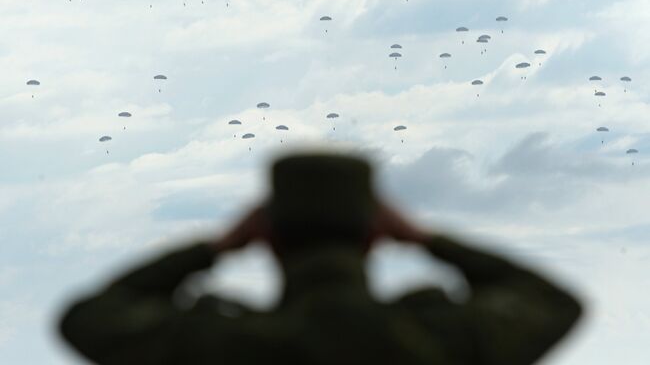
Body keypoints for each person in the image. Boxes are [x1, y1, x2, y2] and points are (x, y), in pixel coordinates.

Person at [59, 153, 582, 365]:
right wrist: (427, 240)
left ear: (267, 237)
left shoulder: (222, 345)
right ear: (375, 237)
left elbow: (88, 318)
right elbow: (555, 303)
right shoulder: (435, 341)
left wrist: (213, 248)